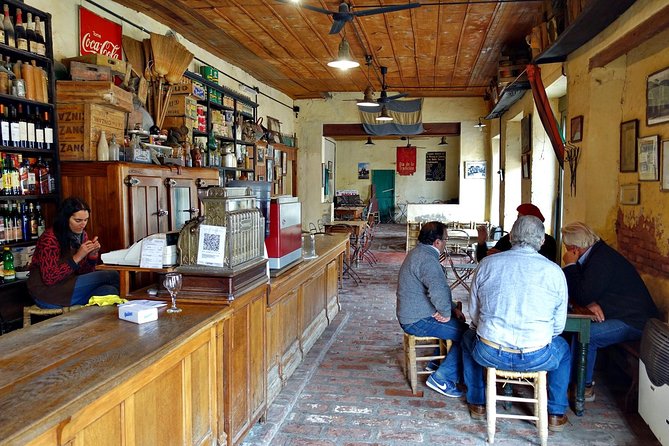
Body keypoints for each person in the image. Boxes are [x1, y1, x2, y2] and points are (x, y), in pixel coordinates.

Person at [462, 215, 571, 431]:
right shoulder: (554, 272)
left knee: (467, 338)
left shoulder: (487, 264)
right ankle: (556, 414)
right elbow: (558, 327)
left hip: (490, 351)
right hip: (536, 356)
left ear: (511, 237)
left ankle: (477, 403)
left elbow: (474, 313)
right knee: (564, 350)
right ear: (541, 242)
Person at [561, 222, 660, 401]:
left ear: (574, 248)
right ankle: (571, 382)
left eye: (566, 246)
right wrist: (591, 301)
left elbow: (582, 293)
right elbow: (585, 291)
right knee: (580, 331)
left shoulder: (601, 260)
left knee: (588, 335)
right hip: (620, 313)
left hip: (635, 321)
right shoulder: (595, 254)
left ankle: (585, 388)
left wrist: (570, 266)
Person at [396, 221, 468, 398]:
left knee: (458, 326)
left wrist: (451, 309)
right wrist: (445, 312)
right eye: (445, 240)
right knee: (468, 336)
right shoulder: (428, 259)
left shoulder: (419, 252)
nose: (446, 244)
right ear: (437, 242)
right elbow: (438, 290)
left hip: (412, 313)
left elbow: (434, 290)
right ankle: (442, 378)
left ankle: (436, 364)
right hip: (416, 320)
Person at [28, 197, 120, 308]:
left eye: (86, 220)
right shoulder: (49, 239)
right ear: (65, 218)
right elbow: (49, 278)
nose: (83, 224)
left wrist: (91, 257)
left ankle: (91, 324)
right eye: (78, 220)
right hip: (47, 293)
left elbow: (83, 273)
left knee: (109, 290)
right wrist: (77, 257)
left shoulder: (82, 235)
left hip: (71, 286)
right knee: (112, 275)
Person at [476, 203, 557, 262]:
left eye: (521, 218)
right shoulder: (508, 239)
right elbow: (483, 260)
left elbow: (542, 263)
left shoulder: (548, 242)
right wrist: (481, 243)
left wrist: (505, 257)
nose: (517, 221)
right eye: (518, 218)